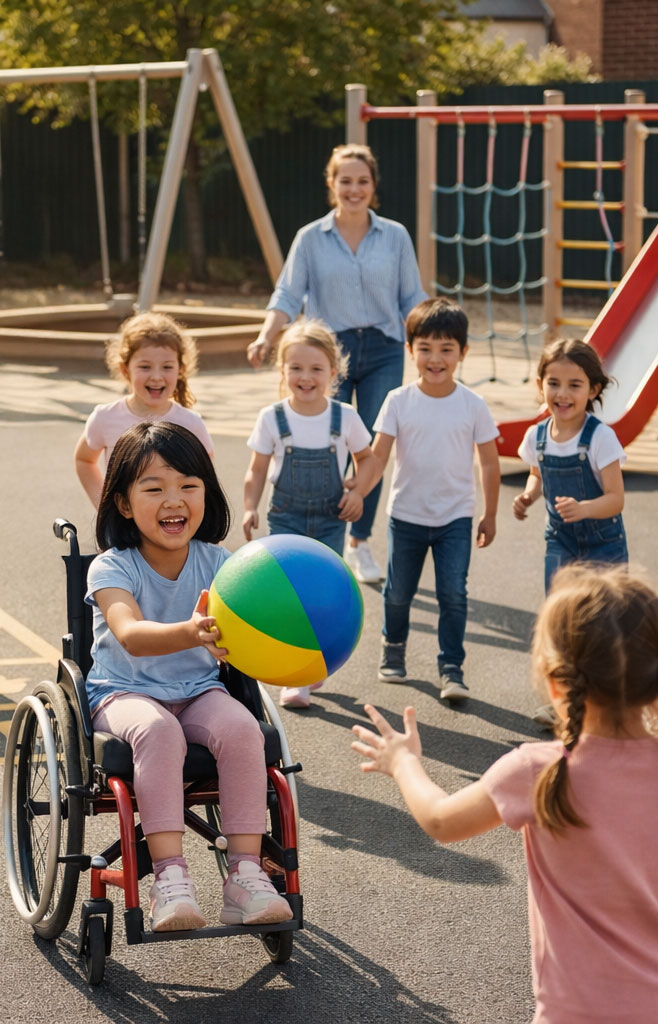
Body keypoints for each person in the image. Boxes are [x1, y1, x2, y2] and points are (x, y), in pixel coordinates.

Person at [352, 564, 658, 1024]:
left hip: (581, 1012)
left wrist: (402, 761)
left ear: (554, 681)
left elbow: (442, 821)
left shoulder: (538, 768)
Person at [85, 420, 292, 933]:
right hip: (125, 691)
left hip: (198, 689)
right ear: (125, 504)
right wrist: (194, 631)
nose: (173, 499)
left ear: (207, 494)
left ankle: (245, 874)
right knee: (159, 731)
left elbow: (252, 629)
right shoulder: (113, 567)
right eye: (154, 488)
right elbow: (130, 634)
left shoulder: (221, 563)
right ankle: (169, 878)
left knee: (246, 730)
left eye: (188, 486)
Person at [246, 143, 427, 585]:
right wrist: (267, 335)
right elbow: (288, 295)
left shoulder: (395, 236)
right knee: (326, 442)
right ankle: (312, 542)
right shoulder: (311, 238)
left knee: (372, 447)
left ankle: (358, 542)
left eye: (362, 181)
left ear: (373, 186)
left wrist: (431, 345)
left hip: (384, 346)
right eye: (345, 180)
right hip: (328, 354)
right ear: (332, 185)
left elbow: (412, 299)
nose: (354, 189)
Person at [242, 318, 379, 710]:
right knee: (288, 595)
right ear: (282, 371)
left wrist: (359, 491)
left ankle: (314, 660)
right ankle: (294, 675)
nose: (306, 377)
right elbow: (255, 469)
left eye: (316, 368)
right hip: (284, 517)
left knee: (321, 593)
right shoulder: (273, 417)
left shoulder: (344, 417)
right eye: (296, 368)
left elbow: (368, 460)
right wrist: (250, 507)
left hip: (330, 518)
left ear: (333, 373)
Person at [369, 298, 499, 704]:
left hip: (455, 517)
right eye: (425, 348)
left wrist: (489, 514)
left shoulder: (472, 405)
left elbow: (490, 464)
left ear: (463, 352)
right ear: (410, 351)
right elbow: (377, 456)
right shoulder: (398, 400)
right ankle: (394, 647)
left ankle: (451, 667)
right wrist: (356, 490)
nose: (435, 358)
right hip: (406, 515)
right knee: (397, 593)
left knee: (453, 595)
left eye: (446, 349)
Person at [512, 337, 628, 594]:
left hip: (603, 544)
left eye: (574, 385)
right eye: (554, 383)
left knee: (606, 618)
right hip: (559, 540)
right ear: (540, 386)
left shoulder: (601, 437)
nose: (562, 393)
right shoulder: (536, 436)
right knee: (560, 614)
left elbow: (616, 499)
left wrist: (584, 509)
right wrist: (529, 495)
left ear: (593, 390)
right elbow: (536, 474)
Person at [74, 311, 213, 508]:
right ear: (125, 369)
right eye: (145, 367)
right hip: (124, 530)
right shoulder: (105, 418)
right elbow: (84, 459)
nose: (156, 376)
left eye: (167, 367)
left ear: (180, 369)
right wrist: (105, 507)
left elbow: (204, 476)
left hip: (174, 524)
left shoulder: (191, 423)